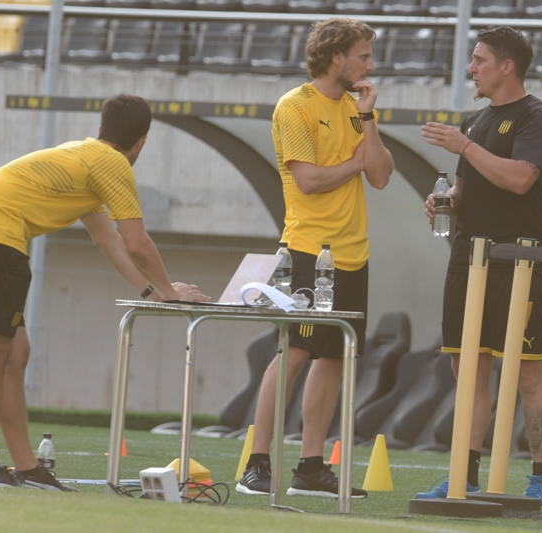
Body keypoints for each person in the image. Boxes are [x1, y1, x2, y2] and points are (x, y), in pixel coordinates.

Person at [0, 94, 210, 491]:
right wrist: (170, 292)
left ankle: (27, 468)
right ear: (142, 141)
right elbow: (136, 241)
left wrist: (152, 290)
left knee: (16, 354)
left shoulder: (85, 157)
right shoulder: (114, 164)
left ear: (102, 128)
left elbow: (109, 240)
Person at [236, 17, 393, 499]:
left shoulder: (354, 107)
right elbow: (309, 180)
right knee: (296, 353)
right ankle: (256, 464)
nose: (371, 64)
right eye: (364, 55)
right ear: (336, 57)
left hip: (353, 252)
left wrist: (367, 119)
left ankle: (310, 467)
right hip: (308, 249)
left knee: (333, 358)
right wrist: (355, 164)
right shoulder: (295, 106)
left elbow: (382, 176)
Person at [416, 27, 542, 507]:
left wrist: (463, 147)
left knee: (528, 373)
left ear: (507, 67)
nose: (471, 68)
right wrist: (445, 202)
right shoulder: (475, 121)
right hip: (468, 258)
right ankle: (466, 475)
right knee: (468, 369)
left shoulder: (536, 118)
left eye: (478, 59)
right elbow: (467, 189)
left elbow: (520, 179)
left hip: (517, 261)